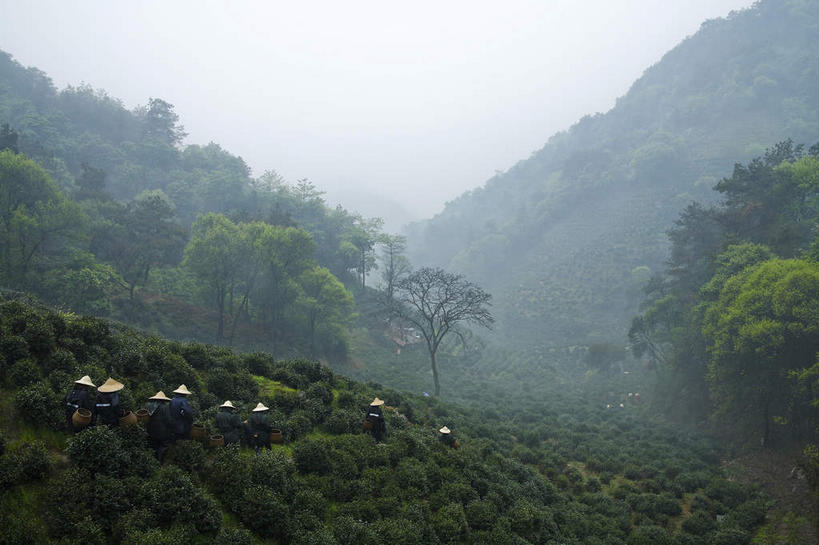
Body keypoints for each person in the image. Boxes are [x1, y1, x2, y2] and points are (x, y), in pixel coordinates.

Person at [145, 391, 173, 462]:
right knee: (163, 446)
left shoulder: (148, 406)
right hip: (162, 432)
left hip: (150, 430)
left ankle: (151, 461)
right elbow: (169, 420)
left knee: (153, 446)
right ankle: (159, 461)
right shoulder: (165, 407)